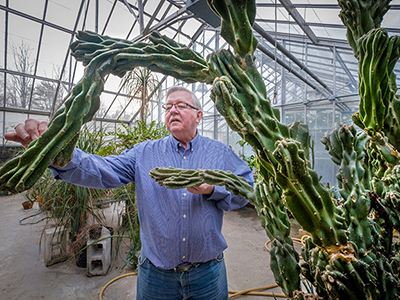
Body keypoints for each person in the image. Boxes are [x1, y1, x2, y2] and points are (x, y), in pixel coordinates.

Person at [6, 86, 253, 300]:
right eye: (168, 107)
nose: (172, 110)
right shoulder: (144, 153)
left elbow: (246, 191)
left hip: (207, 273)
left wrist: (212, 188)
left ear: (199, 115)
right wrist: (58, 153)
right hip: (157, 276)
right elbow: (101, 170)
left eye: (180, 105)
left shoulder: (219, 153)